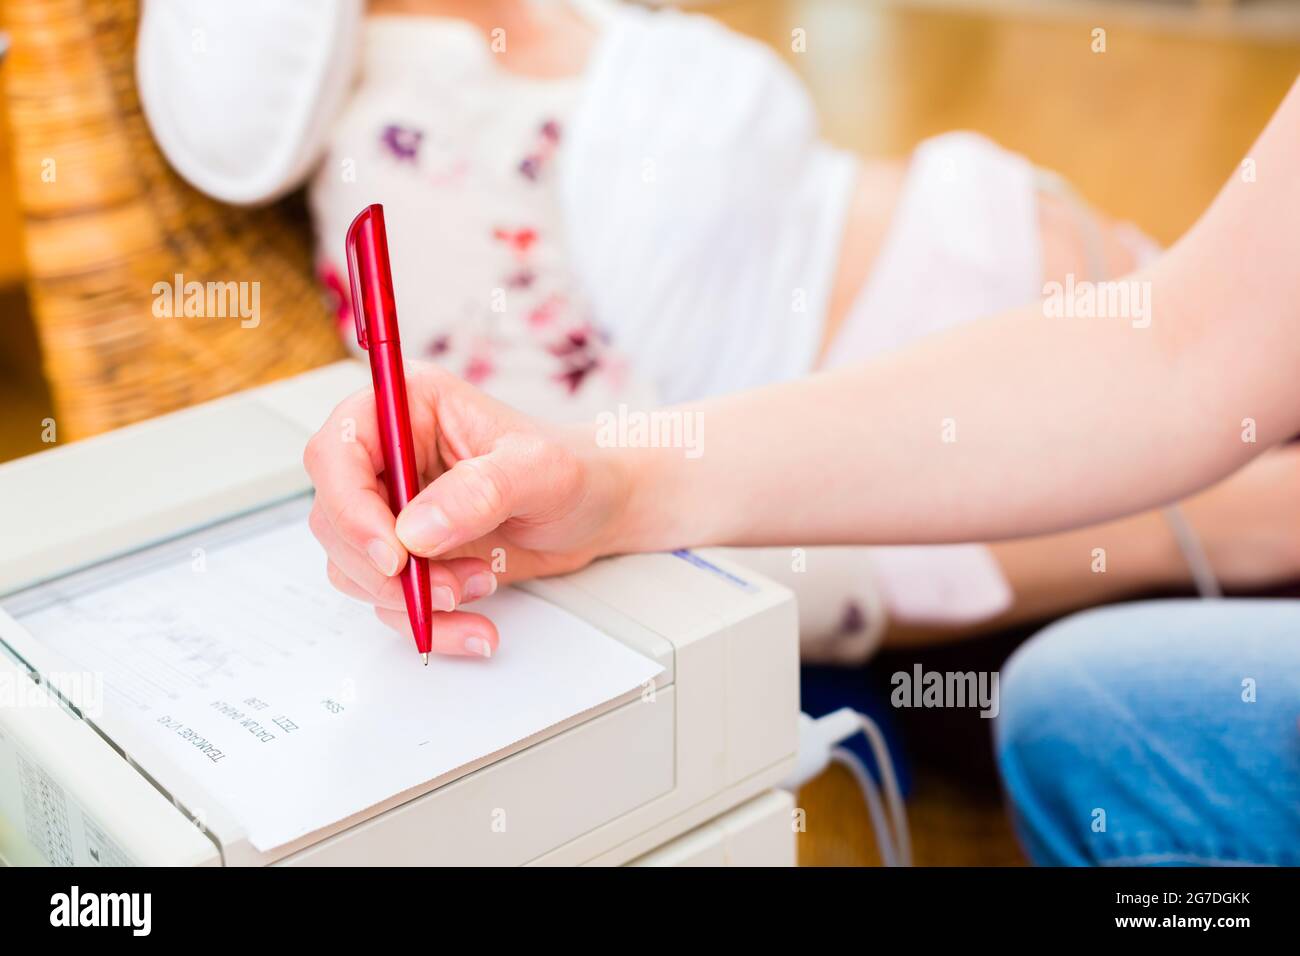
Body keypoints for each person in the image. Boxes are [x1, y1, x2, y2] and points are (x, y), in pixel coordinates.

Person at [303, 75, 1300, 863]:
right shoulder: (404, 132)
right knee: (1085, 708)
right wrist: (612, 484)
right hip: (1108, 486)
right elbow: (1187, 345)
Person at [138, 0, 1300, 663]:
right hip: (1147, 484)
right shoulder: (410, 162)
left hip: (1193, 366)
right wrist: (1211, 525)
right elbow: (701, 560)